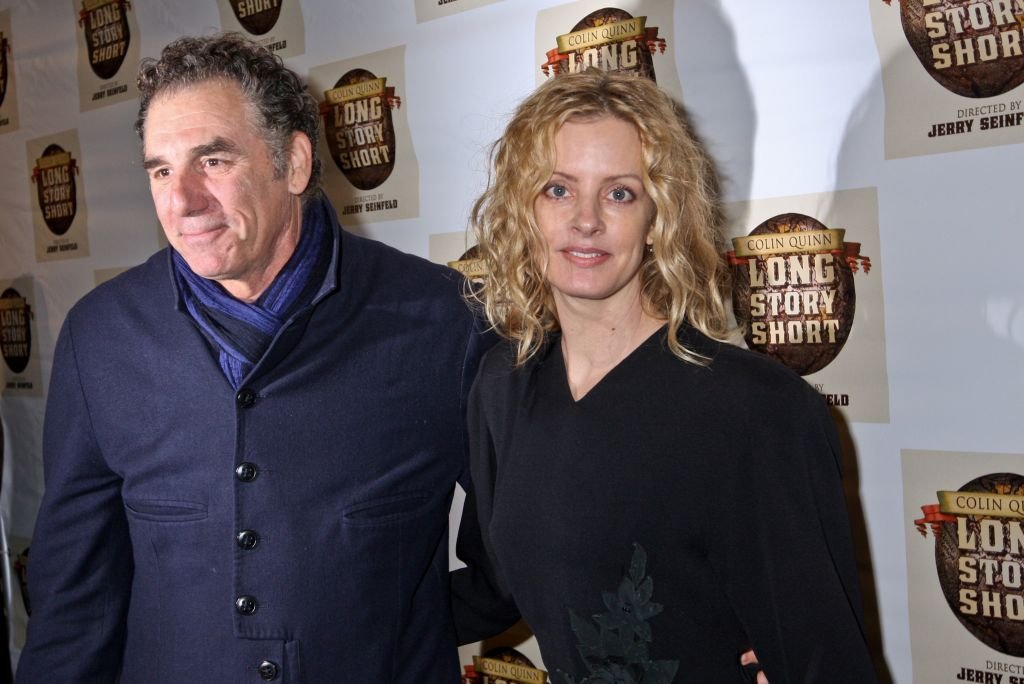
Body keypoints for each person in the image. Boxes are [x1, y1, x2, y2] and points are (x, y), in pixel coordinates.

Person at [16, 33, 490, 683]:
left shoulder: (444, 320)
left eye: (212, 161)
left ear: (293, 163)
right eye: (160, 170)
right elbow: (74, 597)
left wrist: (404, 624)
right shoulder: (100, 336)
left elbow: (521, 542)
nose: (181, 201)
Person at [450, 69, 878, 683]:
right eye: (558, 190)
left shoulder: (755, 411)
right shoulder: (502, 383)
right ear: (524, 210)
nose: (587, 220)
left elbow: (821, 662)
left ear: (659, 218)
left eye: (620, 193)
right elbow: (496, 587)